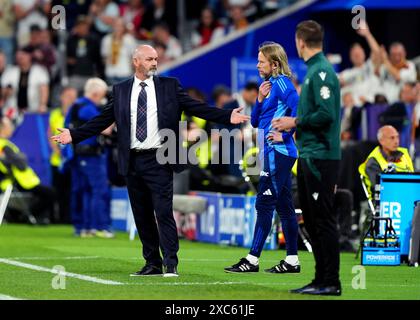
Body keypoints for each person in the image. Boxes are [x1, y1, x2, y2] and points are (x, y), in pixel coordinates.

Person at [51, 44, 249, 277]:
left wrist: (227, 116)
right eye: (149, 59)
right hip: (132, 159)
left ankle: (171, 263)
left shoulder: (170, 86)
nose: (154, 63)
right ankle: (152, 263)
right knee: (141, 214)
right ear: (136, 61)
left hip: (160, 157)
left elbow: (197, 108)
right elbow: (102, 119)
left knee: (163, 212)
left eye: (156, 59)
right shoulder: (121, 89)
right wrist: (74, 135)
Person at [272, 20, 342, 296]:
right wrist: (290, 129)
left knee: (322, 218)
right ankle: (320, 278)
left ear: (300, 42)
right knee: (312, 220)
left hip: (321, 157)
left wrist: (294, 122)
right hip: (311, 154)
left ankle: (331, 282)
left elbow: (326, 115)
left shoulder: (322, 72)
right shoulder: (314, 71)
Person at [225, 41, 300, 274]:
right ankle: (292, 261)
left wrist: (287, 132)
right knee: (285, 208)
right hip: (272, 153)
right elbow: (256, 121)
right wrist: (258, 99)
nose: (257, 65)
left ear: (274, 64)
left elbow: (299, 107)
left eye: (261, 61)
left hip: (279, 152)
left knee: (264, 203)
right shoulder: (267, 86)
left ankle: (252, 259)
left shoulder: (283, 83)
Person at [64, 78, 114, 238]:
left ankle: (83, 227)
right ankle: (98, 226)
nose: (104, 98)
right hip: (90, 154)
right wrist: (115, 111)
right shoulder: (87, 108)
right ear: (95, 93)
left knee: (84, 190)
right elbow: (106, 129)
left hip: (79, 155)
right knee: (98, 189)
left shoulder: (78, 105)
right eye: (102, 95)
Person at [0, 116, 55, 225]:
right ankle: (27, 216)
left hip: (19, 181)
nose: (11, 128)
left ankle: (25, 216)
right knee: (50, 194)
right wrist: (21, 157)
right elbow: (21, 164)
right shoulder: (4, 145)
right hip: (19, 181)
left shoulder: (5, 144)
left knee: (46, 194)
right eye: (9, 126)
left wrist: (19, 157)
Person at [359, 125, 414, 200]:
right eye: (392, 138)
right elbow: (380, 187)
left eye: (397, 137)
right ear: (381, 141)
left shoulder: (404, 154)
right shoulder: (373, 161)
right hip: (386, 201)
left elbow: (415, 175)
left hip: (408, 196)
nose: (396, 141)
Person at [48, 86, 78, 223]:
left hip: (72, 160)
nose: (71, 99)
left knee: (71, 190)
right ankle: (56, 218)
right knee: (57, 190)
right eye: (68, 96)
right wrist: (57, 151)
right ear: (61, 97)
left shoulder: (77, 114)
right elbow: (49, 134)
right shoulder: (55, 114)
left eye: (73, 96)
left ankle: (69, 218)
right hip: (57, 160)